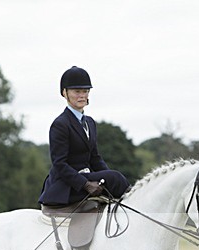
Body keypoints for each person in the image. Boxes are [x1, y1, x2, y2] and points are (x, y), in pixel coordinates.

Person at [38, 66, 130, 206]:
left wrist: (109, 177)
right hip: (68, 184)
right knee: (115, 177)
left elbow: (95, 158)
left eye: (85, 91)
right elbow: (59, 164)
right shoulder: (60, 124)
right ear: (65, 92)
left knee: (115, 177)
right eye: (77, 91)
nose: (82, 95)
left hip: (88, 176)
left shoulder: (90, 123)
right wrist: (86, 184)